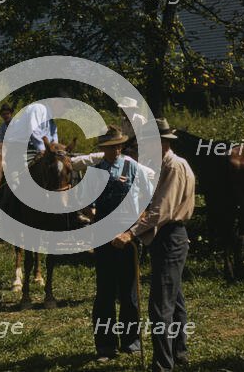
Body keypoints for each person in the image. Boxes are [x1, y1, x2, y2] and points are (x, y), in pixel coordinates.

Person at [113, 118, 195, 372]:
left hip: (170, 237)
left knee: (160, 306)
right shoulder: (161, 166)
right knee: (174, 299)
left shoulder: (174, 167)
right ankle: (178, 352)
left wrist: (131, 233)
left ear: (162, 143)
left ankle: (162, 365)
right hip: (164, 238)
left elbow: (162, 211)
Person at [85, 125, 152, 362]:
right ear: (102, 149)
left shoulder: (133, 167)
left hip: (127, 238)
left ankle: (131, 340)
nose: (112, 151)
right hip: (104, 238)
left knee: (129, 292)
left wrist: (137, 227)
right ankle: (105, 346)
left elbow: (147, 197)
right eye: (107, 148)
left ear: (121, 146)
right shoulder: (95, 172)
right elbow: (86, 203)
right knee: (104, 293)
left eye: (115, 146)